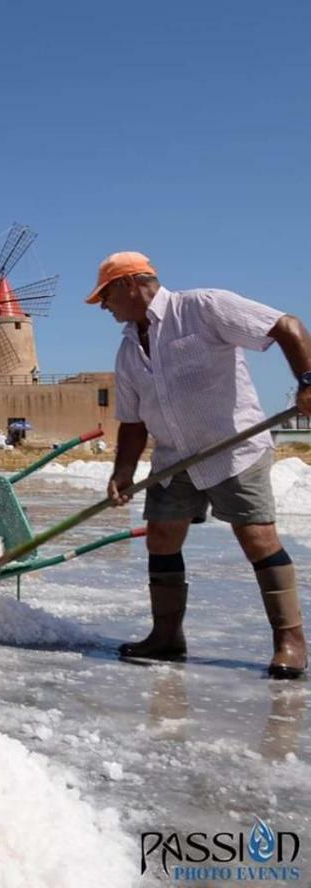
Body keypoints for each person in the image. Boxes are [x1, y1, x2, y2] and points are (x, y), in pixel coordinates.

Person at [92, 251, 311, 677]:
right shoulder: (127, 349)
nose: (103, 306)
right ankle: (167, 637)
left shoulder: (203, 307)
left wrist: (308, 380)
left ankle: (291, 641)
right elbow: (134, 422)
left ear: (130, 284)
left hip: (233, 449)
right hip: (174, 459)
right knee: (161, 539)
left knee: (258, 539)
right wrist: (122, 472)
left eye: (105, 295)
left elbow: (286, 326)